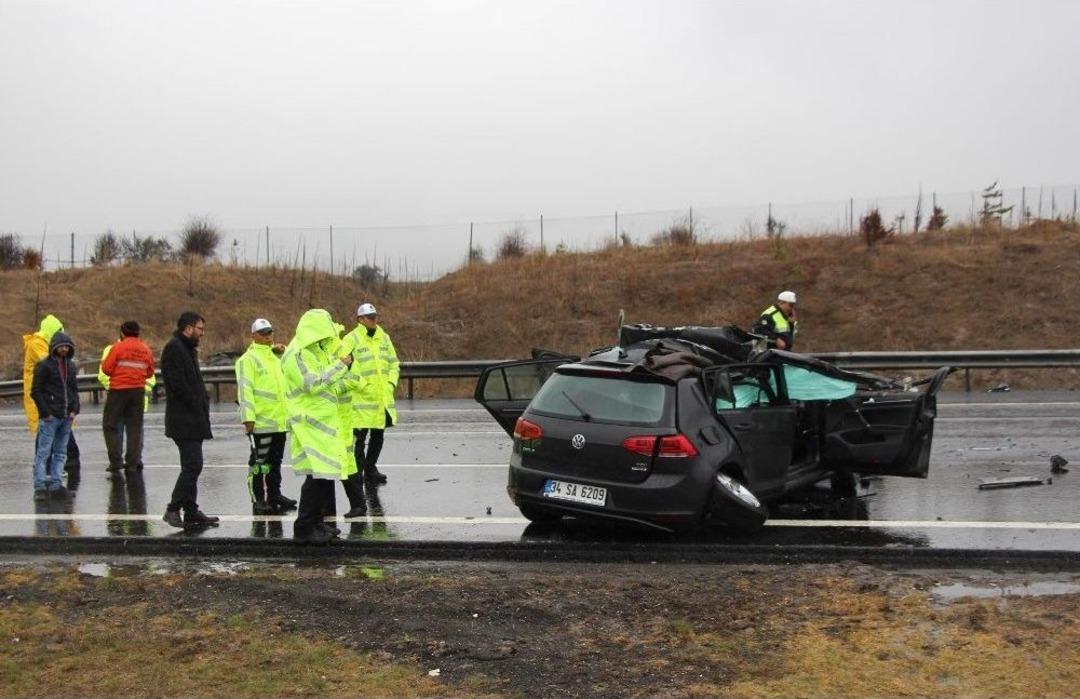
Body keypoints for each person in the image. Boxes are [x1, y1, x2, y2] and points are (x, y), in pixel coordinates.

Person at [282, 309, 355, 544]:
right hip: (309, 424)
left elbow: (328, 381)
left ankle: (316, 523)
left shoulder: (315, 351)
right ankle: (304, 527)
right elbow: (312, 383)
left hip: (322, 423)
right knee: (317, 477)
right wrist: (340, 366)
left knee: (324, 475)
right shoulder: (296, 354)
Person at [160, 311, 219, 528]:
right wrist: (196, 400)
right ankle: (173, 508)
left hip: (193, 418)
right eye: (200, 329)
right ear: (188, 328)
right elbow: (176, 384)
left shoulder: (187, 348)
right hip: (183, 419)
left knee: (192, 465)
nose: (202, 333)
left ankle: (191, 510)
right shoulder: (174, 348)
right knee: (193, 464)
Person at [234, 318, 297, 515]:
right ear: (253, 336)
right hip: (261, 422)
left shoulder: (275, 357)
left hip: (278, 421)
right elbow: (245, 390)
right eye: (263, 333)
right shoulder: (247, 359)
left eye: (270, 332)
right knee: (259, 464)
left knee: (275, 463)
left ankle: (274, 495)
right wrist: (248, 418)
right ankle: (258, 499)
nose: (268, 335)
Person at [341, 302, 399, 485]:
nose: (374, 320)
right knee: (359, 438)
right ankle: (358, 472)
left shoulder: (384, 337)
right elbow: (343, 366)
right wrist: (362, 385)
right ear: (360, 319)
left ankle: (370, 469)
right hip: (360, 398)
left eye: (375, 317)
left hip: (381, 397)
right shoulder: (351, 339)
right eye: (370, 317)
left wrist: (391, 383)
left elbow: (394, 363)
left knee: (378, 435)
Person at [23, 314, 80, 473]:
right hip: (44, 397)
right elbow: (51, 364)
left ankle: (63, 463)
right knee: (47, 432)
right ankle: (47, 469)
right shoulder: (37, 345)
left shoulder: (44, 344)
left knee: (56, 430)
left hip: (55, 397)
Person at [29, 331, 80, 500]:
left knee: (60, 452)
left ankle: (56, 485)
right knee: (44, 453)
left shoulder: (70, 366)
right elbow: (36, 391)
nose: (64, 349)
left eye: (66, 347)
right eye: (61, 347)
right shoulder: (44, 366)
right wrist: (46, 412)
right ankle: (40, 486)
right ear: (54, 347)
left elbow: (73, 389)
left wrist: (74, 410)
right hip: (51, 417)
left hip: (66, 416)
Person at [98, 331, 157, 470]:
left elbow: (104, 371)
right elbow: (150, 374)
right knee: (135, 430)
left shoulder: (112, 349)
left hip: (118, 395)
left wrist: (113, 387)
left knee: (114, 428)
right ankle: (134, 461)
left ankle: (117, 461)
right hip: (137, 396)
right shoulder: (144, 349)